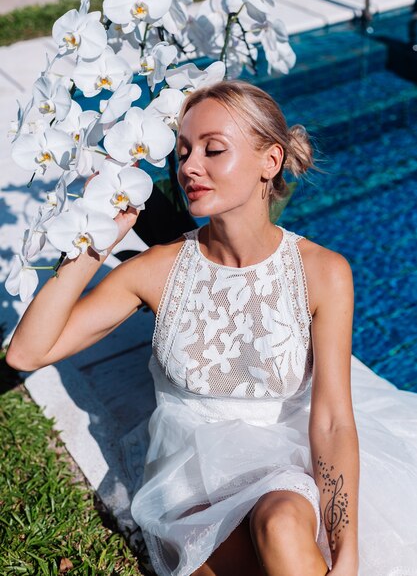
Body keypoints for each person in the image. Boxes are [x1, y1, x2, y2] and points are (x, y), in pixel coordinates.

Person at [6, 80, 417, 576]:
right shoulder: (156, 270)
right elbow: (27, 353)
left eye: (212, 149)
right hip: (191, 478)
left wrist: (345, 551)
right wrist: (98, 235)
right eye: (182, 153)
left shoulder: (323, 273)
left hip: (285, 466)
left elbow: (331, 421)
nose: (188, 168)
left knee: (284, 527)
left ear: (270, 162)